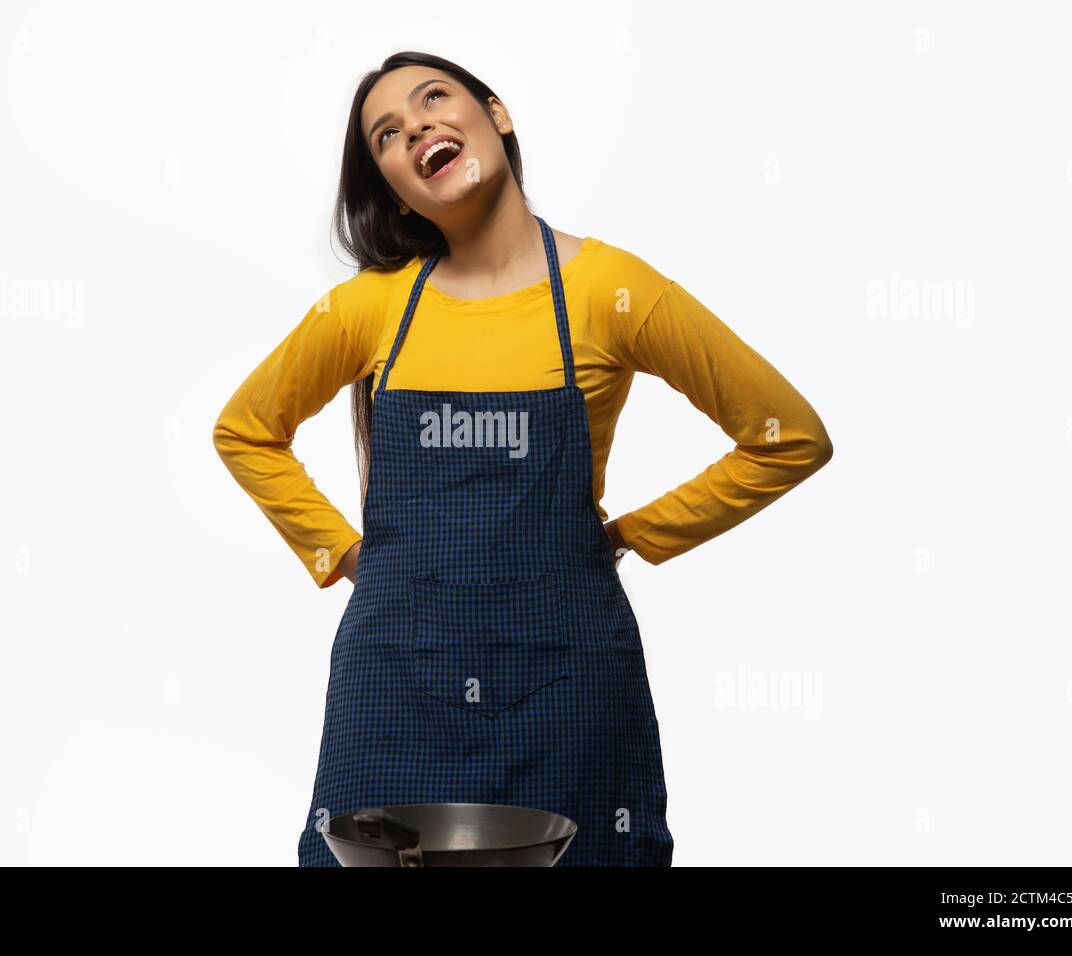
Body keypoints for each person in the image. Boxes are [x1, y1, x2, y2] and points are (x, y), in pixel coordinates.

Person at [213, 51, 833, 866]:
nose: (417, 127)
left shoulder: (611, 289)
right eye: (388, 135)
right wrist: (346, 553)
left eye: (434, 98)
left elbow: (786, 435)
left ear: (496, 113)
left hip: (567, 677)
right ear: (393, 184)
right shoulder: (369, 307)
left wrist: (637, 533)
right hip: (398, 677)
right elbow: (246, 428)